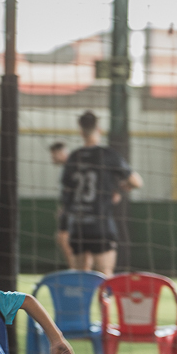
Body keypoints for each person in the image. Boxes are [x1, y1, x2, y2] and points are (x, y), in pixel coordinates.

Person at [59, 111, 142, 277]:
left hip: (78, 225)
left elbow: (66, 195)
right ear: (99, 129)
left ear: (81, 131)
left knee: (80, 277)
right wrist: (121, 187)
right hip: (101, 225)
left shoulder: (74, 157)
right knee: (105, 276)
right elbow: (136, 182)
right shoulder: (108, 155)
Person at [49, 142, 78, 270]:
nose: (52, 158)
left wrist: (67, 208)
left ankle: (75, 269)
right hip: (71, 209)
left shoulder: (73, 166)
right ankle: (75, 268)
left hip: (76, 210)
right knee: (62, 238)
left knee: (63, 238)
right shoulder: (68, 167)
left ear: (60, 153)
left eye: (53, 155)